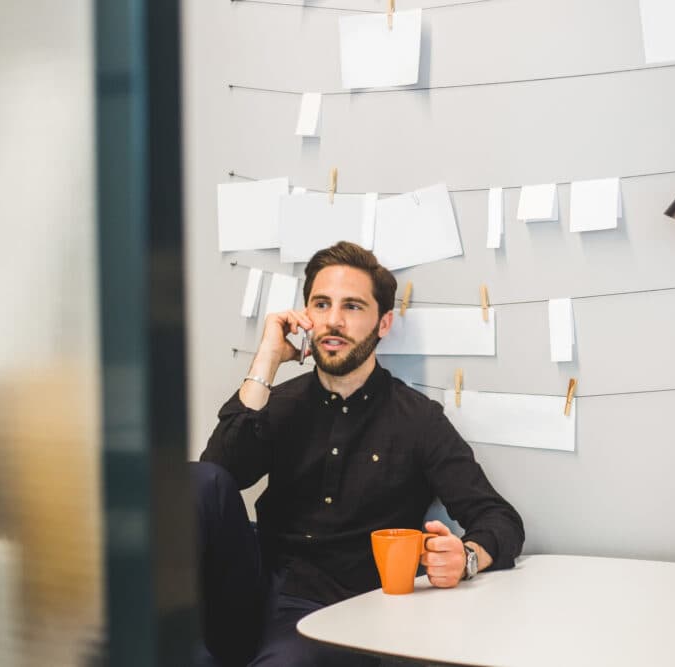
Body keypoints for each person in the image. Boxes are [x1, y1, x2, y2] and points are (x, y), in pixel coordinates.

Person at [195, 241, 524, 666]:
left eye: (352, 307)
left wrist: (468, 559)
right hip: (250, 589)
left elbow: (500, 519)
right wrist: (266, 361)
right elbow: (214, 481)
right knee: (197, 480)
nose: (332, 321)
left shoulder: (417, 420)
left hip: (335, 610)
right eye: (321, 304)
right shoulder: (279, 402)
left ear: (383, 322)